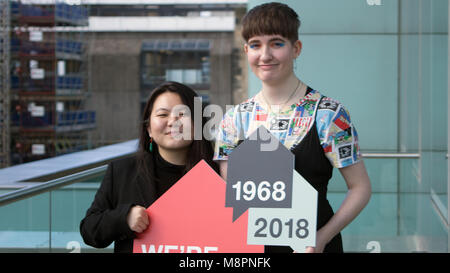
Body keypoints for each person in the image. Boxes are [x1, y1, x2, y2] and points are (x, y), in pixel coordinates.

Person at [213, 2, 371, 253]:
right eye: (255, 44)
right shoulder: (234, 120)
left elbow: (361, 188)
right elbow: (228, 194)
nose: (265, 55)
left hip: (313, 247)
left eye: (276, 43)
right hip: (251, 250)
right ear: (246, 50)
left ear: (296, 48)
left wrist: (322, 238)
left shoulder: (328, 114)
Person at [80, 81, 219, 253]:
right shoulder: (122, 171)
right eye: (162, 115)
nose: (173, 121)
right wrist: (124, 218)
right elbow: (89, 230)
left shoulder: (221, 174)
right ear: (149, 129)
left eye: (182, 113)